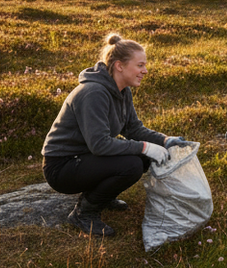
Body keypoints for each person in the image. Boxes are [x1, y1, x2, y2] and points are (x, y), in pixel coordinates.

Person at [42, 34, 185, 237]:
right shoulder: (94, 93)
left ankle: (103, 196)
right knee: (133, 164)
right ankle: (84, 213)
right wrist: (145, 147)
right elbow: (100, 145)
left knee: (142, 158)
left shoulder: (122, 91)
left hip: (84, 158)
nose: (145, 70)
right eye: (140, 65)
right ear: (119, 66)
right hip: (62, 166)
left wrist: (165, 140)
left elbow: (134, 129)